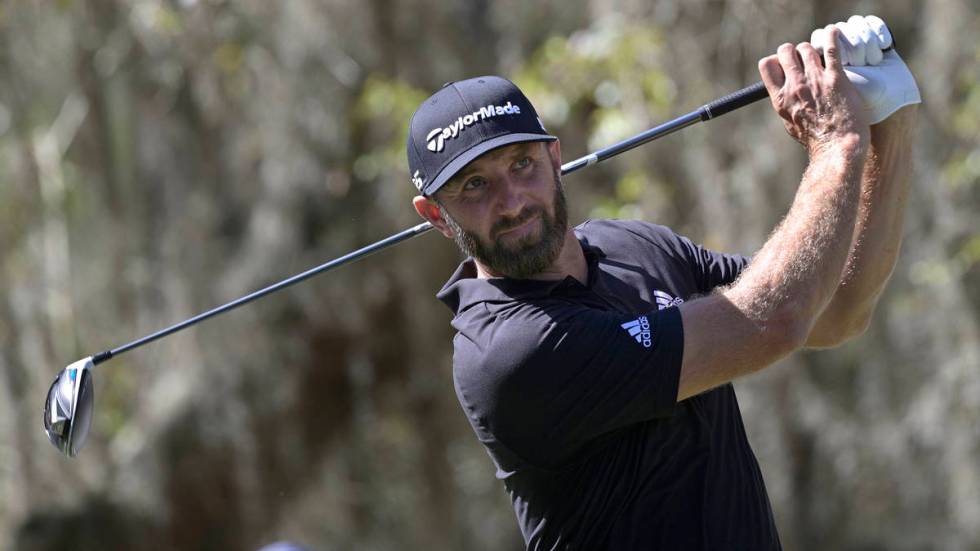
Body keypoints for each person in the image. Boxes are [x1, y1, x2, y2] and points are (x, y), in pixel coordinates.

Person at [405, 17, 918, 550]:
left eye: (522, 164)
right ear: (436, 215)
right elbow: (775, 320)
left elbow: (835, 312)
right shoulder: (509, 352)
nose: (512, 201)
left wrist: (893, 119)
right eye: (475, 185)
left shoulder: (633, 246)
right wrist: (837, 144)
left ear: (555, 157)